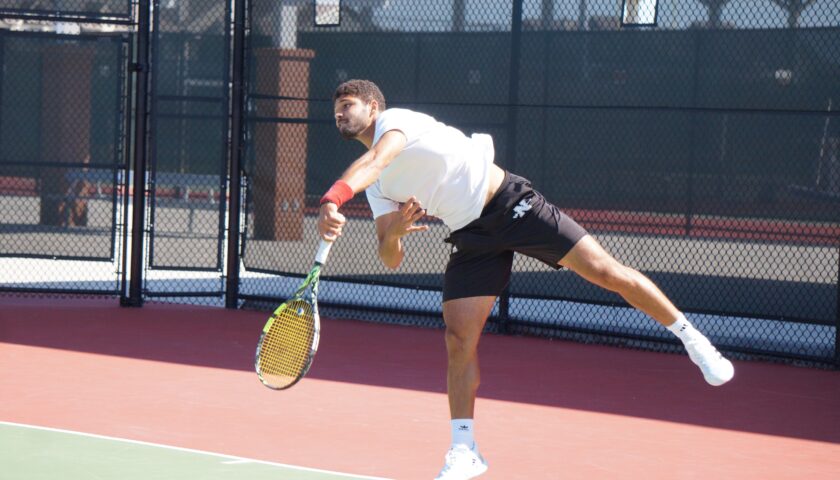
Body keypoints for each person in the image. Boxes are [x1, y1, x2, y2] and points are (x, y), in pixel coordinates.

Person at [317, 79, 734, 480]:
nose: (340, 115)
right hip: (471, 235)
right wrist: (396, 233)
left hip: (512, 205)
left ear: (374, 107)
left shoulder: (396, 123)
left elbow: (376, 160)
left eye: (348, 106)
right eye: (336, 111)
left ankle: (693, 339)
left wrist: (333, 197)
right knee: (458, 339)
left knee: (608, 273)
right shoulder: (377, 188)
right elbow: (390, 258)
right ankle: (464, 450)